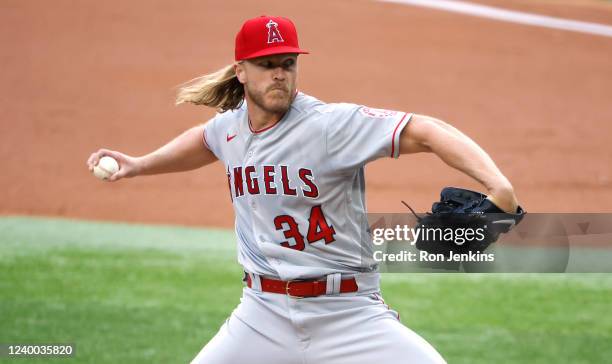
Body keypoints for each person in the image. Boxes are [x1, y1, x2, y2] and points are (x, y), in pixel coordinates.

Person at [87, 15, 519, 364]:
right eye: (267, 65)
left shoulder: (328, 125)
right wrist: (138, 164)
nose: (280, 74)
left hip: (348, 313)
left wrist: (499, 187)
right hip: (262, 313)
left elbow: (425, 130)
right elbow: (204, 140)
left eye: (287, 64)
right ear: (241, 71)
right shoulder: (231, 128)